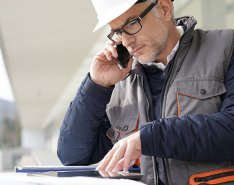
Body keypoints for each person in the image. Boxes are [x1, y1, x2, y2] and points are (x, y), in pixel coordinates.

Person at [57, 0, 234, 184]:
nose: (126, 41)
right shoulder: (120, 82)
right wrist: (96, 86)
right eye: (117, 32)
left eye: (132, 23)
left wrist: (150, 137)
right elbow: (72, 156)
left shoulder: (227, 47)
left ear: (165, 8)